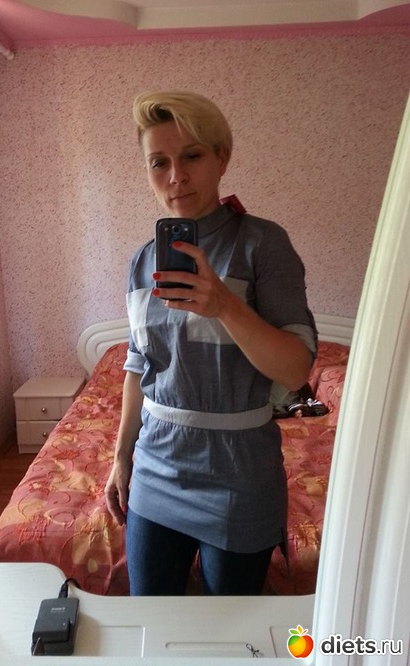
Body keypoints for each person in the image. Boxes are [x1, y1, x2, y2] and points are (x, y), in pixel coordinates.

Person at [105, 91, 317, 596]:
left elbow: (295, 370)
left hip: (239, 474)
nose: (176, 176)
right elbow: (138, 365)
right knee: (151, 616)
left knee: (232, 627)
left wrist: (225, 305)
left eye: (192, 156)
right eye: (159, 163)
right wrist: (121, 455)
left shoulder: (262, 243)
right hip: (155, 466)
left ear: (222, 158)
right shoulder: (143, 262)